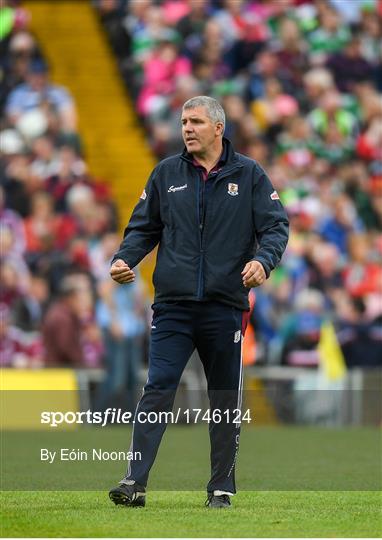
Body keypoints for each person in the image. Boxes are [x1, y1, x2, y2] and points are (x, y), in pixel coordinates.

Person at [108, 96, 289, 509]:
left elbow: (277, 226)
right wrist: (124, 258)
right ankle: (134, 481)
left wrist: (263, 262)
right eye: (183, 122)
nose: (186, 128)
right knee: (157, 388)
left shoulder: (250, 175)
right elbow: (142, 228)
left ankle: (221, 487)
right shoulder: (165, 173)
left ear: (218, 128)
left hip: (225, 306)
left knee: (224, 398)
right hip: (172, 305)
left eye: (195, 122)